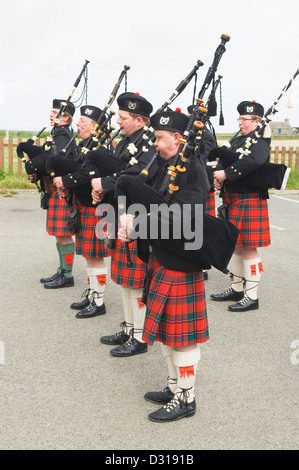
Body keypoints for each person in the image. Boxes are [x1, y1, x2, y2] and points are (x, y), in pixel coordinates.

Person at [116, 109, 210, 422]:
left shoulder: (192, 168)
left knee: (183, 337)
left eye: (159, 138)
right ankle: (174, 386)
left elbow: (184, 218)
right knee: (170, 332)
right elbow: (156, 202)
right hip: (162, 255)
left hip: (180, 260)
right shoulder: (168, 163)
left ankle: (187, 397)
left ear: (178, 138)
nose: (155, 144)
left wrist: (138, 224)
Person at [90, 92, 156, 357]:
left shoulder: (149, 143)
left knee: (136, 280)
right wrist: (102, 188)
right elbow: (115, 171)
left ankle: (140, 337)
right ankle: (130, 328)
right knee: (126, 281)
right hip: (121, 212)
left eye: (123, 117)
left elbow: (140, 174)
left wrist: (105, 184)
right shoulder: (125, 141)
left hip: (137, 215)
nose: (118, 121)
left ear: (139, 120)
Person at [48, 105, 111, 318]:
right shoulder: (85, 146)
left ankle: (99, 298)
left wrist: (65, 181)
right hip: (85, 206)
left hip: (97, 208)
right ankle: (93, 292)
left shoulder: (100, 149)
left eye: (83, 121)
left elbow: (88, 175)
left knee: (97, 257)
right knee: (89, 257)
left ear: (95, 127)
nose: (78, 124)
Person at [211, 100, 271, 312]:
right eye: (240, 119)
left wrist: (226, 174)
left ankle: (251, 296)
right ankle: (236, 287)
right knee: (236, 245)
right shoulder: (239, 140)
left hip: (249, 199)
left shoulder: (260, 142)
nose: (241, 123)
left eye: (245, 120)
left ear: (257, 121)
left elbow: (254, 161)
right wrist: (218, 176)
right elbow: (224, 157)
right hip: (233, 199)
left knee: (249, 248)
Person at [18, 99, 77, 288]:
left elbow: (55, 159)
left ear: (65, 117)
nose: (51, 115)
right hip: (53, 191)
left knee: (64, 234)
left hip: (60, 191)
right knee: (59, 234)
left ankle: (67, 274)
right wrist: (38, 170)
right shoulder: (57, 133)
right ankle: (62, 270)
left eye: (54, 112)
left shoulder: (61, 134)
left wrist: (34, 164)